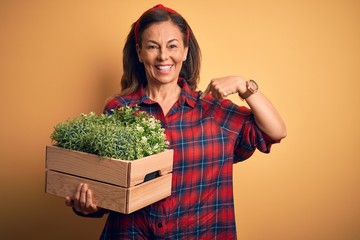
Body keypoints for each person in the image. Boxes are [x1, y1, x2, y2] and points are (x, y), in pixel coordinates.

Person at [65, 4, 287, 239]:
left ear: (185, 51)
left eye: (172, 46)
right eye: (153, 47)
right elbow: (106, 187)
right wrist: (89, 206)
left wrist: (244, 85)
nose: (163, 56)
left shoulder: (213, 111)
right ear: (140, 53)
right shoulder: (119, 110)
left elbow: (276, 131)